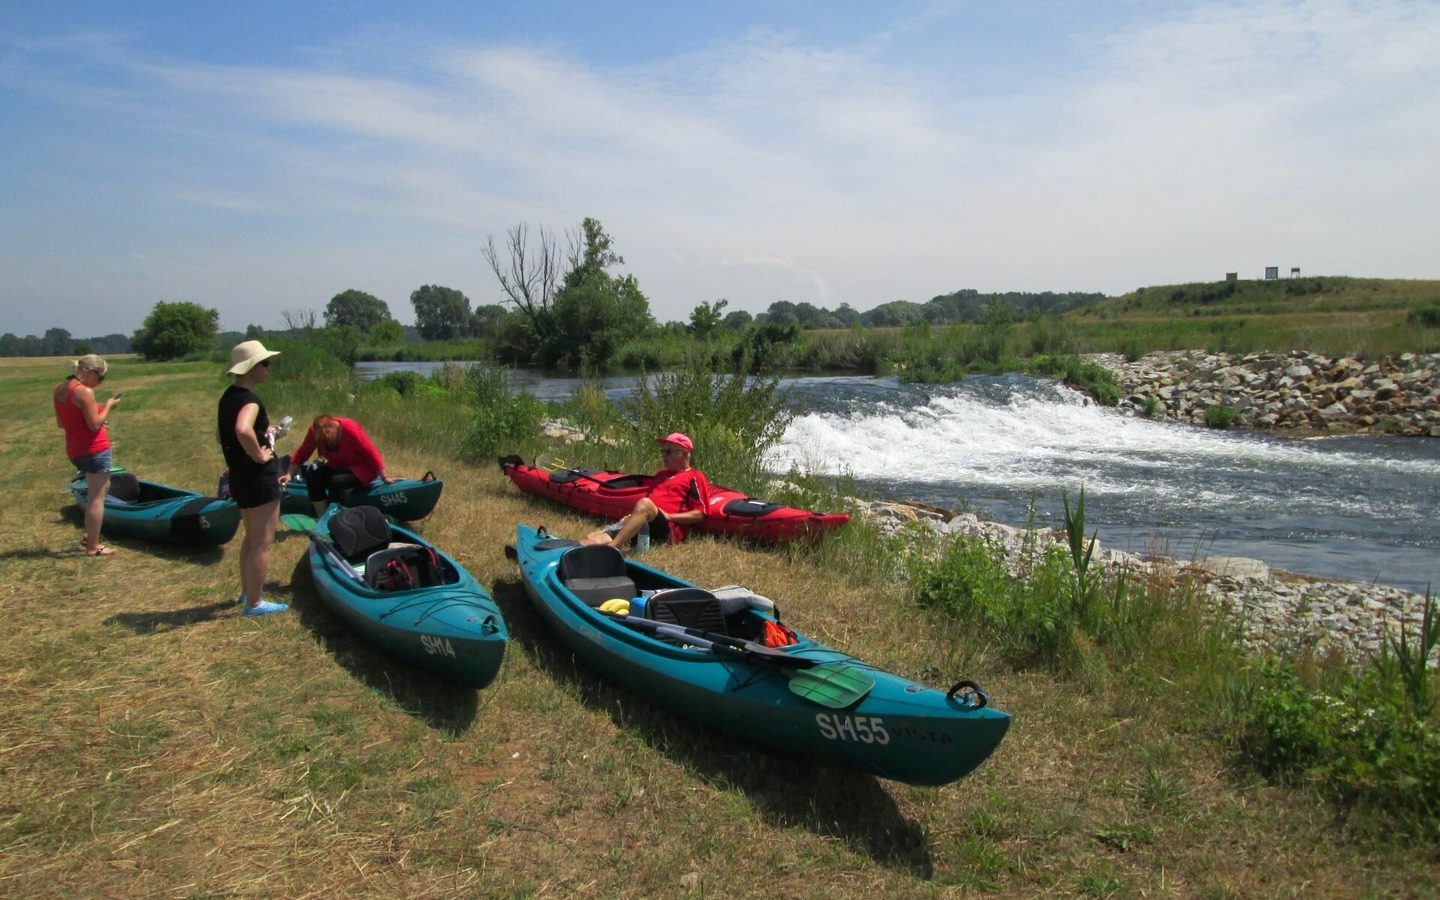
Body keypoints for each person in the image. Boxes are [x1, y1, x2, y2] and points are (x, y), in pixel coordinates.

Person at [218, 340, 289, 616]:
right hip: (258, 477)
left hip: (239, 476)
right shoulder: (249, 399)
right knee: (262, 543)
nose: (269, 369)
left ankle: (248, 592)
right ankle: (255, 603)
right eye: (265, 364)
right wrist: (259, 456)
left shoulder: (229, 397)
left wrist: (262, 434)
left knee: (250, 538)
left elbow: (221, 433)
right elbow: (241, 428)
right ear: (252, 368)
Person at [582, 433, 710, 549]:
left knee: (645, 504)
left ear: (682, 454)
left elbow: (700, 514)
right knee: (592, 538)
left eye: (668, 452)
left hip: (666, 527)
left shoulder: (695, 476)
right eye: (663, 451)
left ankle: (613, 547)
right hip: (642, 523)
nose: (664, 455)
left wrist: (670, 516)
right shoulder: (661, 474)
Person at [54, 354, 122, 556]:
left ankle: (90, 534)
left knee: (100, 489)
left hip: (75, 449)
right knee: (97, 498)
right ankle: (93, 545)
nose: (100, 383)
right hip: (94, 450)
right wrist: (109, 405)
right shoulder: (84, 392)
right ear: (91, 372)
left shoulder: (60, 390)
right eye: (100, 378)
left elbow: (62, 422)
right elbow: (94, 425)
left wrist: (98, 421)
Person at [286, 415, 396, 515]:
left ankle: (335, 516)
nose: (327, 444)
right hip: (337, 466)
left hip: (362, 469)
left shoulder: (350, 430)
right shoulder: (315, 431)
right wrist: (289, 474)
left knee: (336, 481)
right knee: (312, 476)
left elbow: (371, 452)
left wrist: (384, 476)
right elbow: (303, 452)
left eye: (328, 441)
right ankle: (322, 516)